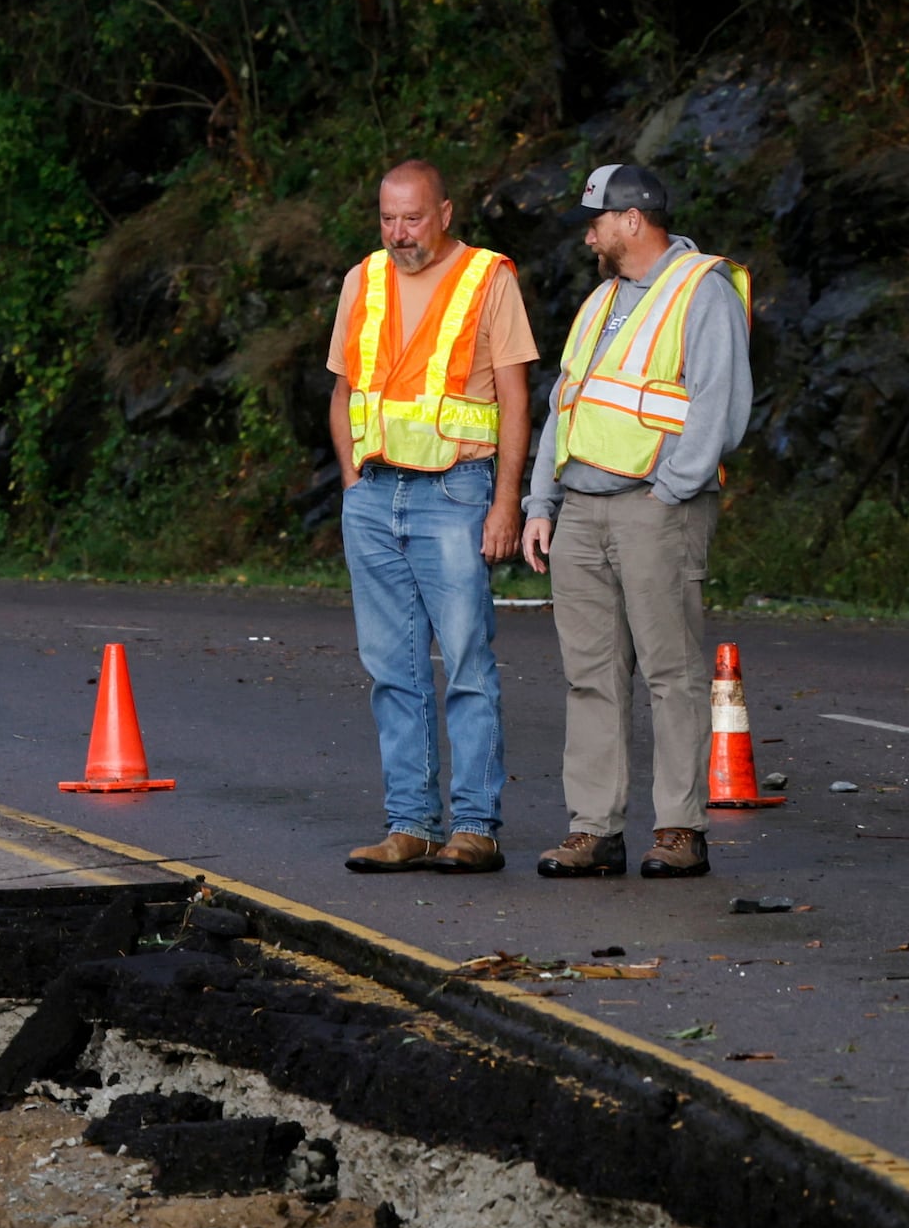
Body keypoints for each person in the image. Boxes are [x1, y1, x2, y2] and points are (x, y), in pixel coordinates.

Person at [522, 163, 754, 879]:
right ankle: (595, 829)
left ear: (633, 220)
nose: (587, 233)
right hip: (582, 509)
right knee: (590, 675)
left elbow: (719, 403)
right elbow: (566, 404)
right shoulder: (599, 302)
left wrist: (671, 490)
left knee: (671, 672)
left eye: (595, 219)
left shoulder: (701, 290)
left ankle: (680, 828)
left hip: (657, 506)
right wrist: (542, 502)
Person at [323, 159, 537, 875]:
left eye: (412, 217)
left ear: (445, 212)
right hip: (375, 496)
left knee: (468, 662)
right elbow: (344, 392)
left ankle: (474, 826)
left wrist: (507, 500)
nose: (399, 232)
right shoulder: (364, 280)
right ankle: (410, 823)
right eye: (387, 218)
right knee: (392, 667)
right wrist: (354, 483)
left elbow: (514, 397)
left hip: (456, 492)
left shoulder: (486, 278)